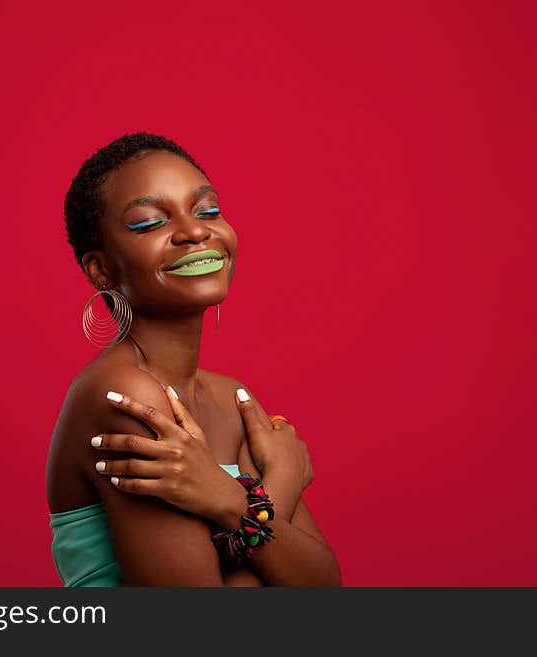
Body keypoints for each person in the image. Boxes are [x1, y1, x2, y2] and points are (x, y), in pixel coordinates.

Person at [46, 132, 341, 586]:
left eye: (208, 211)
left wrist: (226, 500)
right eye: (148, 223)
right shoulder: (125, 395)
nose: (195, 231)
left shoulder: (230, 397)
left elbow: (324, 587)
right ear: (101, 269)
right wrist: (274, 485)